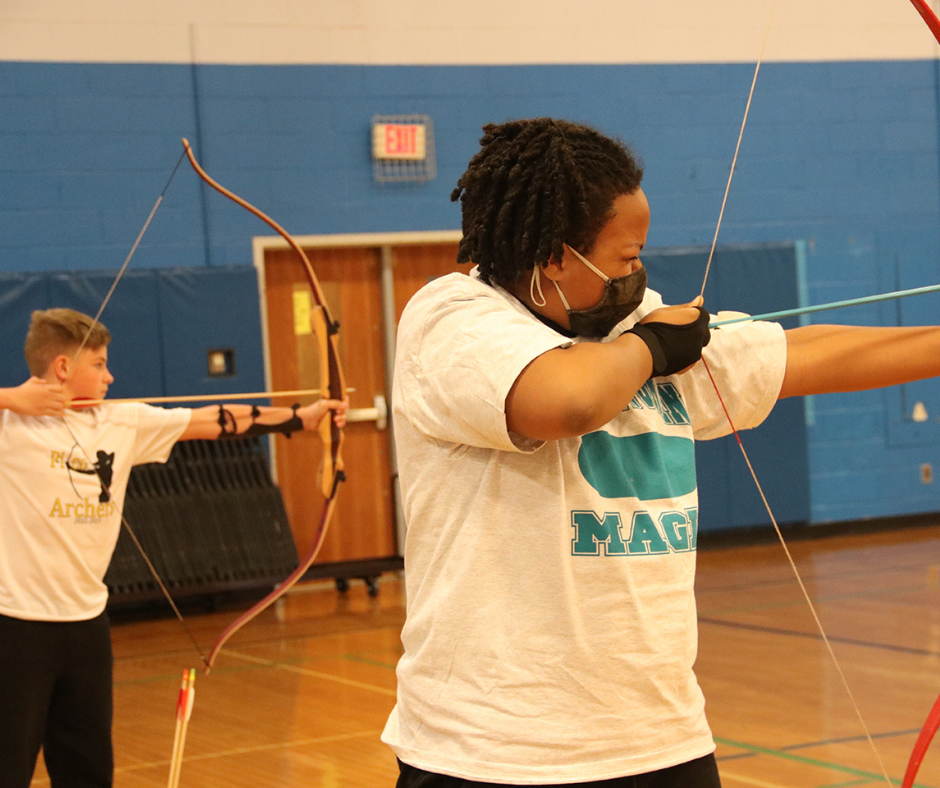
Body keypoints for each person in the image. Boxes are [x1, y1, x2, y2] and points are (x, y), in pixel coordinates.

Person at [381, 117, 940, 787]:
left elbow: (805, 353)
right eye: (622, 257)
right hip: (491, 751)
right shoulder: (453, 320)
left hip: (660, 741)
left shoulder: (631, 330)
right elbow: (567, 402)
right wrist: (648, 347)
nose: (637, 272)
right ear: (556, 256)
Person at [0, 307, 348, 788]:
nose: (110, 375)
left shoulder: (121, 422)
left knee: (88, 769)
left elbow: (215, 421)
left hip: (86, 628)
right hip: (16, 628)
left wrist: (304, 418)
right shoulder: (9, 426)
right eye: (99, 364)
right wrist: (9, 398)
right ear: (63, 367)